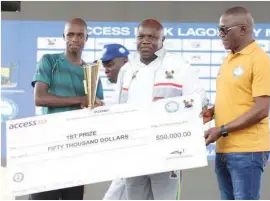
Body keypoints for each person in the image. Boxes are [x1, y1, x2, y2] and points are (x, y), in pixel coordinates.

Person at [113, 19, 209, 200]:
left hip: (167, 152)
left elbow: (200, 99)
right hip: (134, 152)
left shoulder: (179, 66)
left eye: (152, 37)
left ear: (162, 40)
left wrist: (172, 111)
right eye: (141, 36)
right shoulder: (127, 69)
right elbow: (115, 108)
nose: (145, 41)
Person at [203, 7, 270, 200]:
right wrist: (212, 113)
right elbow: (235, 99)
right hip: (224, 148)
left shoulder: (260, 60)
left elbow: (261, 110)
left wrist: (222, 129)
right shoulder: (229, 60)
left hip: (248, 150)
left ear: (243, 29)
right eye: (218, 29)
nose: (220, 35)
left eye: (224, 30)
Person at [30, 18, 104, 200]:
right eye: (70, 34)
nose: (75, 39)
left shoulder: (91, 72)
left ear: (87, 38)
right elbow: (40, 98)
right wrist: (81, 99)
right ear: (63, 36)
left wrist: (98, 106)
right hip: (48, 148)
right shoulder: (49, 61)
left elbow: (97, 111)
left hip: (76, 151)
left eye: (80, 35)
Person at [95, 44, 129, 200]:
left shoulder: (137, 82)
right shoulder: (121, 87)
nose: (106, 70)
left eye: (110, 64)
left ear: (125, 61)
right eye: (104, 66)